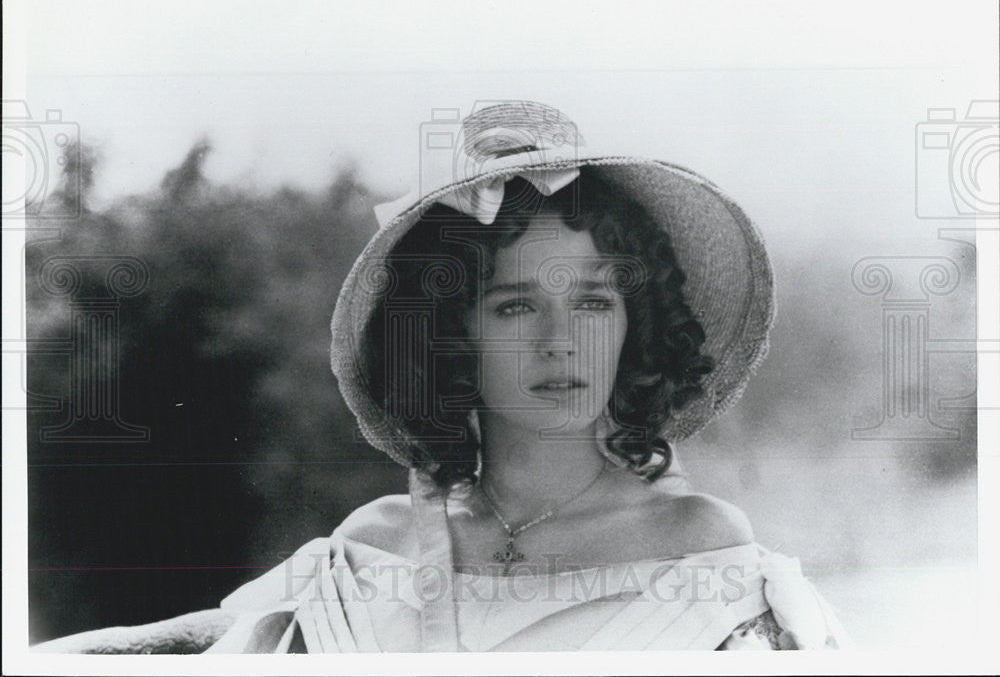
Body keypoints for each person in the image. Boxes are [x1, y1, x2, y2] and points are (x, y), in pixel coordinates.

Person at [34, 101, 852, 654]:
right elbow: (211, 642)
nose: (562, 342)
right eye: (513, 306)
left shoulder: (701, 550)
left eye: (596, 302)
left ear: (636, 328)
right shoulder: (368, 550)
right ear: (451, 335)